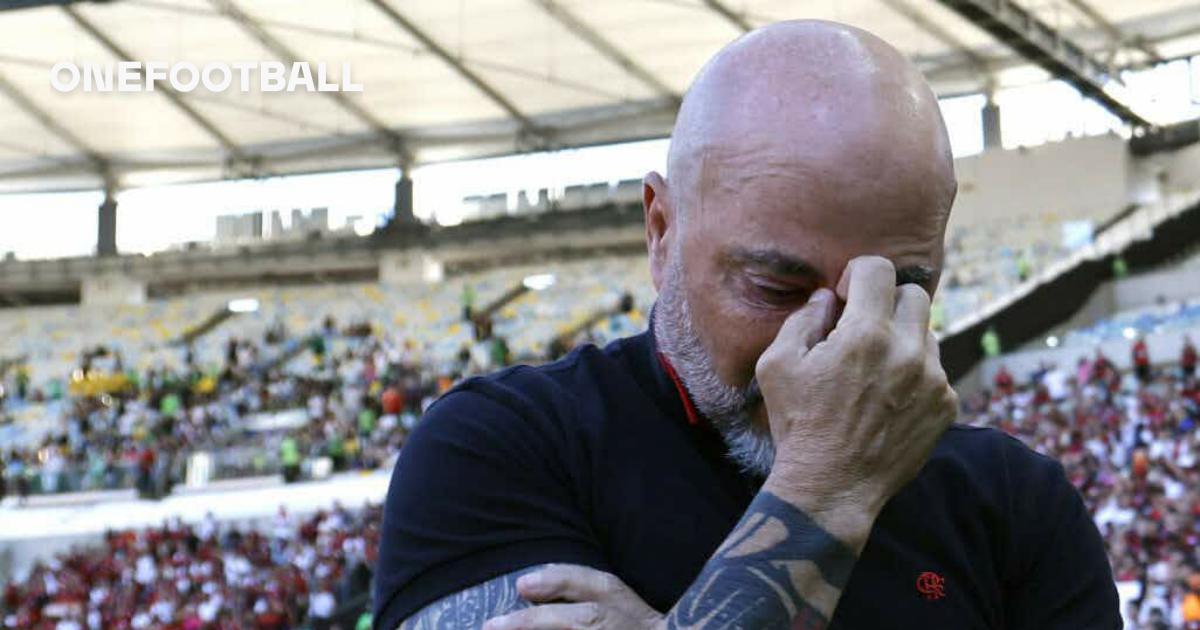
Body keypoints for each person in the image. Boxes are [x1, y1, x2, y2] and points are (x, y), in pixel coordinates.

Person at [374, 20, 1119, 630]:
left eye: (894, 288)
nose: (835, 340)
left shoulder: (1018, 505)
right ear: (661, 233)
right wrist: (827, 490)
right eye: (775, 286)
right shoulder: (502, 448)